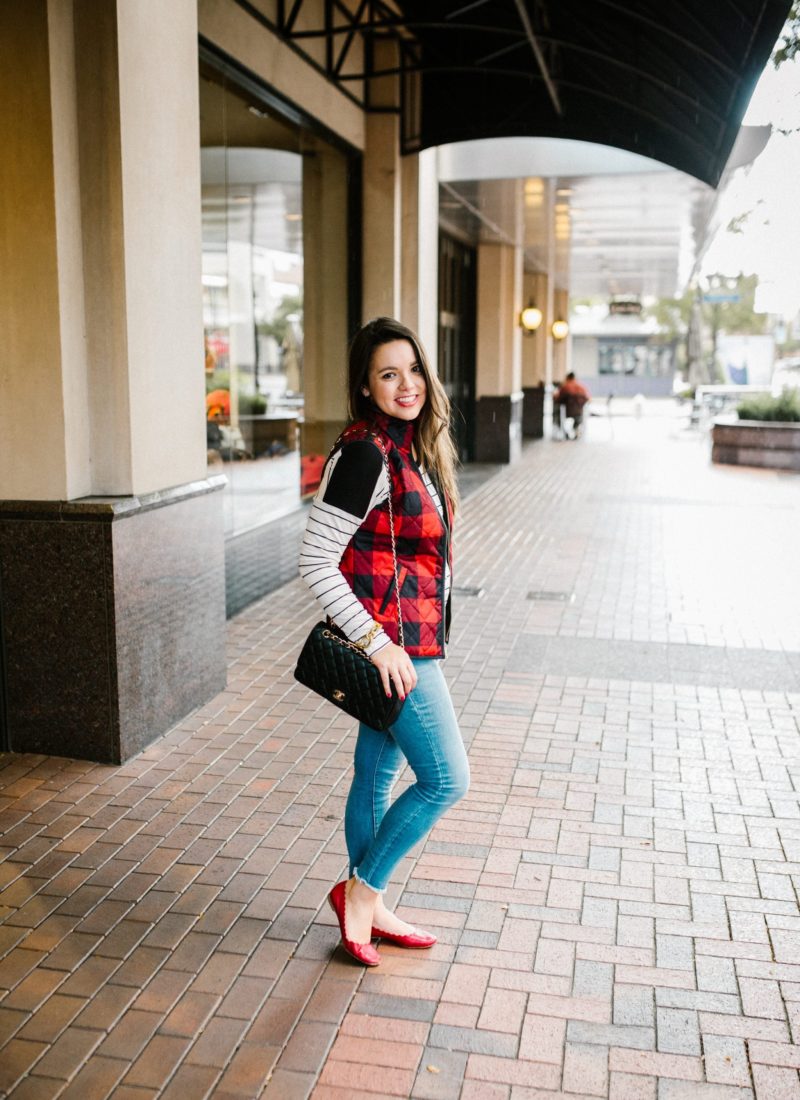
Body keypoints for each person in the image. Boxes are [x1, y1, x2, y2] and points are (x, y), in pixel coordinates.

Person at [299, 317, 470, 967]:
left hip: (411, 641)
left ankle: (368, 907)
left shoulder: (410, 447)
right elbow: (316, 560)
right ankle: (361, 891)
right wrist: (378, 644)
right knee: (446, 779)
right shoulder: (367, 454)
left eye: (414, 369)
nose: (406, 385)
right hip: (397, 652)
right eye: (388, 375)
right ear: (366, 387)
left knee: (375, 775)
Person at [554, 371, 591, 438]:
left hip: (567, 412)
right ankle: (576, 428)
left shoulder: (565, 387)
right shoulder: (581, 387)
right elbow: (588, 399)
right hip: (579, 412)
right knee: (579, 416)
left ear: (567, 378)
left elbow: (557, 399)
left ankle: (564, 431)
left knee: (556, 412)